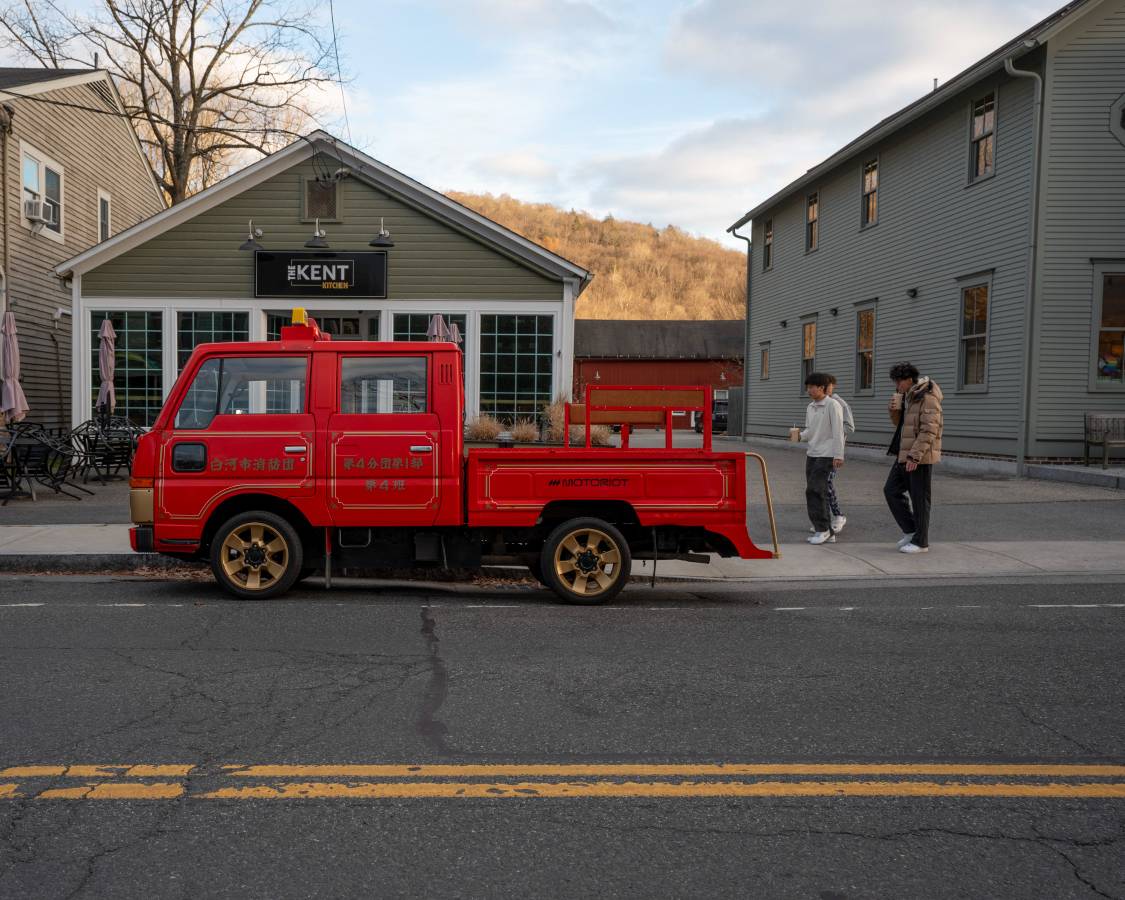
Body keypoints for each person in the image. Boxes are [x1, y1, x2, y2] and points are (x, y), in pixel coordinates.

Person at [883, 361, 943, 554]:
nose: (896, 386)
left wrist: (914, 457)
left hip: (919, 458)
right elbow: (900, 426)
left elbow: (929, 430)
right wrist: (895, 409)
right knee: (890, 490)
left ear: (909, 380)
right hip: (903, 454)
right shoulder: (910, 397)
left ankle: (921, 542)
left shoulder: (928, 397)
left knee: (919, 500)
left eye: (899, 382)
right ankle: (910, 531)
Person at [798, 372, 845, 545]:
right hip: (812, 453)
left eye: (812, 387)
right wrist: (799, 436)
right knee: (817, 491)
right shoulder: (810, 407)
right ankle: (828, 532)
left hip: (827, 454)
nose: (809, 390)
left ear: (822, 388)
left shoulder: (833, 405)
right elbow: (810, 430)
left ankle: (822, 529)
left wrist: (839, 455)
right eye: (807, 387)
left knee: (815, 490)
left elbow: (838, 431)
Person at [824, 374, 854, 534]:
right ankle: (823, 521)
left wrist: (834, 431)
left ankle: (838, 515)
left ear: (832, 386)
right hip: (819, 452)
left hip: (834, 450)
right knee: (818, 485)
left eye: (826, 385)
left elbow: (849, 427)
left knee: (826, 483)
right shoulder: (818, 404)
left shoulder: (839, 403)